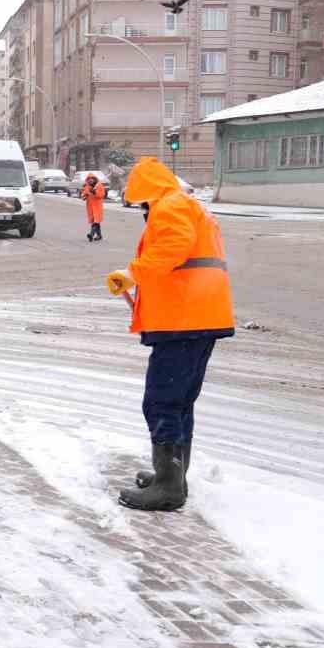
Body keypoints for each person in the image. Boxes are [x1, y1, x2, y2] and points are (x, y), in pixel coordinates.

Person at [105, 157, 235, 512]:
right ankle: (174, 476)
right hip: (199, 315)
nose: (144, 209)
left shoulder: (170, 205)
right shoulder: (190, 205)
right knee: (179, 402)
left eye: (142, 203)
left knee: (161, 401)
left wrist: (132, 273)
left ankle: (168, 486)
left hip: (184, 318)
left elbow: (173, 246)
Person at [81, 174, 107, 242]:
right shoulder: (87, 187)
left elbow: (102, 195)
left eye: (92, 179)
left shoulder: (99, 186)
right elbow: (83, 197)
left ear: (94, 179)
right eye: (89, 179)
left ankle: (91, 234)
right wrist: (85, 195)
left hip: (97, 207)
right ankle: (99, 236)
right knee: (95, 222)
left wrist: (95, 192)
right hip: (90, 207)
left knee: (96, 221)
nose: (90, 180)